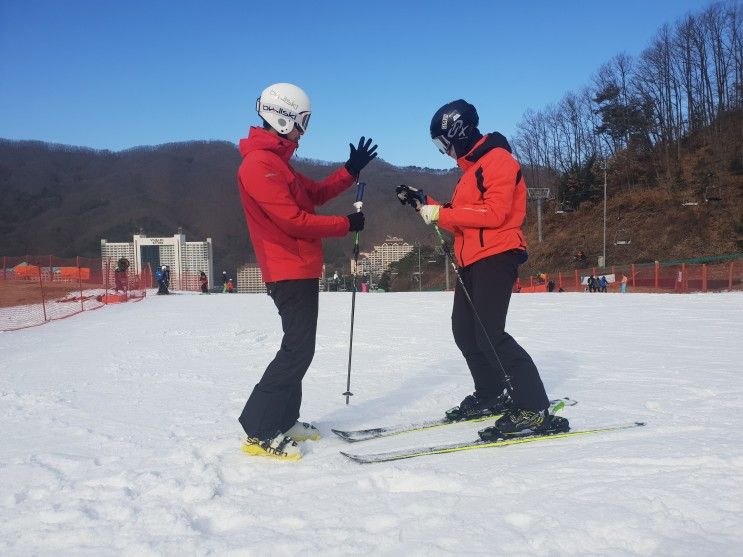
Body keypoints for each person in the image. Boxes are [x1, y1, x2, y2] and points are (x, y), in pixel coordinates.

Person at [396, 99, 566, 439]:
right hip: (471, 261)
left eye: (442, 143)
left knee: (490, 335)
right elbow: (465, 219)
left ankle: (533, 408)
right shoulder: (469, 173)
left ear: (457, 132)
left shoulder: (498, 161)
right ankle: (491, 393)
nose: (442, 151)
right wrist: (425, 203)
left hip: (497, 256)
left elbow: (495, 215)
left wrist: (441, 214)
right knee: (465, 332)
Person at [236, 82, 377, 460]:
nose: (303, 131)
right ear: (282, 119)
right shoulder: (258, 165)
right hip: (286, 269)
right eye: (302, 122)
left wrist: (349, 171)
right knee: (296, 350)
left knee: (301, 349)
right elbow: (293, 221)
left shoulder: (278, 163)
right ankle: (260, 428)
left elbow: (312, 195)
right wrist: (344, 226)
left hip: (300, 267)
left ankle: (284, 420)